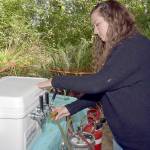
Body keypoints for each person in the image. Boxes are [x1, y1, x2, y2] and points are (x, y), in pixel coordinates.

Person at [38, 0, 150, 149]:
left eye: (97, 24)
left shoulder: (135, 46)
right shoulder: (121, 48)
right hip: (123, 138)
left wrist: (54, 81)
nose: (95, 31)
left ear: (114, 19)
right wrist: (70, 108)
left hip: (141, 141)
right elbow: (104, 91)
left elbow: (97, 84)